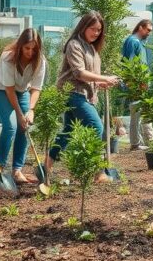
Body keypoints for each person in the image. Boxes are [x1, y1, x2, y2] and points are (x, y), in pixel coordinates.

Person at [44, 11, 120, 179]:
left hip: (84, 94)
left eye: (99, 30)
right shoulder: (74, 45)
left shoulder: (92, 48)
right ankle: (98, 171)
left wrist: (100, 82)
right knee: (96, 126)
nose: (96, 33)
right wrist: (104, 77)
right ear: (83, 27)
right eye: (92, 28)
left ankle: (47, 165)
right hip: (72, 93)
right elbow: (79, 73)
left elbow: (89, 76)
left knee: (68, 131)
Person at [0, 28, 47, 184]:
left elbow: (36, 88)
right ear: (21, 45)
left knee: (26, 126)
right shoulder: (8, 57)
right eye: (27, 48)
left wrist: (30, 110)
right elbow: (9, 89)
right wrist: (20, 114)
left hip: (22, 92)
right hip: (0, 90)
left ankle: (17, 170)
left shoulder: (40, 61)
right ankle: (0, 169)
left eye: (34, 49)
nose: (30, 52)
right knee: (11, 126)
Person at [121, 19, 153, 150]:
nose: (149, 33)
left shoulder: (140, 43)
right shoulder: (132, 41)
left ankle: (150, 142)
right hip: (137, 84)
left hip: (143, 83)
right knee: (136, 112)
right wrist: (133, 82)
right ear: (140, 27)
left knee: (145, 112)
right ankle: (135, 144)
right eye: (148, 30)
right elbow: (128, 63)